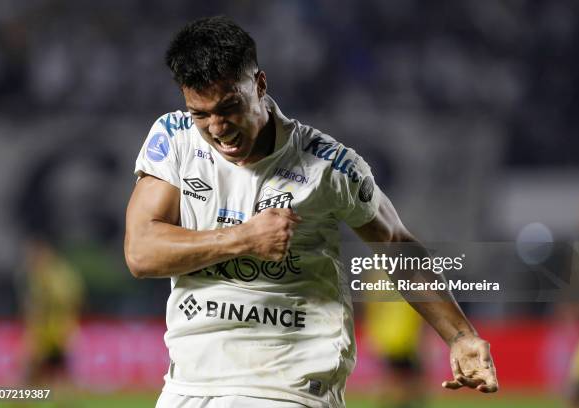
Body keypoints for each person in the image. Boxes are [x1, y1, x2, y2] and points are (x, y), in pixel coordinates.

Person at [124, 16, 498, 408]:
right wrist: (244, 239)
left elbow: (396, 244)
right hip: (188, 385)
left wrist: (460, 336)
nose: (218, 127)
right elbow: (141, 252)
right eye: (201, 114)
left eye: (229, 107)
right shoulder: (174, 138)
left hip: (288, 386)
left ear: (260, 85)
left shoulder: (329, 166)